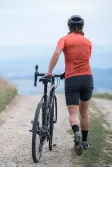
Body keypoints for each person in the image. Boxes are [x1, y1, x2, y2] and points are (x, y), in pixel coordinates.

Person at [40, 15, 94, 155]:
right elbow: (82, 60)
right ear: (82, 27)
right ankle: (85, 141)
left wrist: (50, 72)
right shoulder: (88, 42)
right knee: (85, 112)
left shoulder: (64, 39)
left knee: (73, 113)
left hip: (72, 80)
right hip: (87, 78)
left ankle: (76, 133)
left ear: (69, 27)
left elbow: (57, 54)